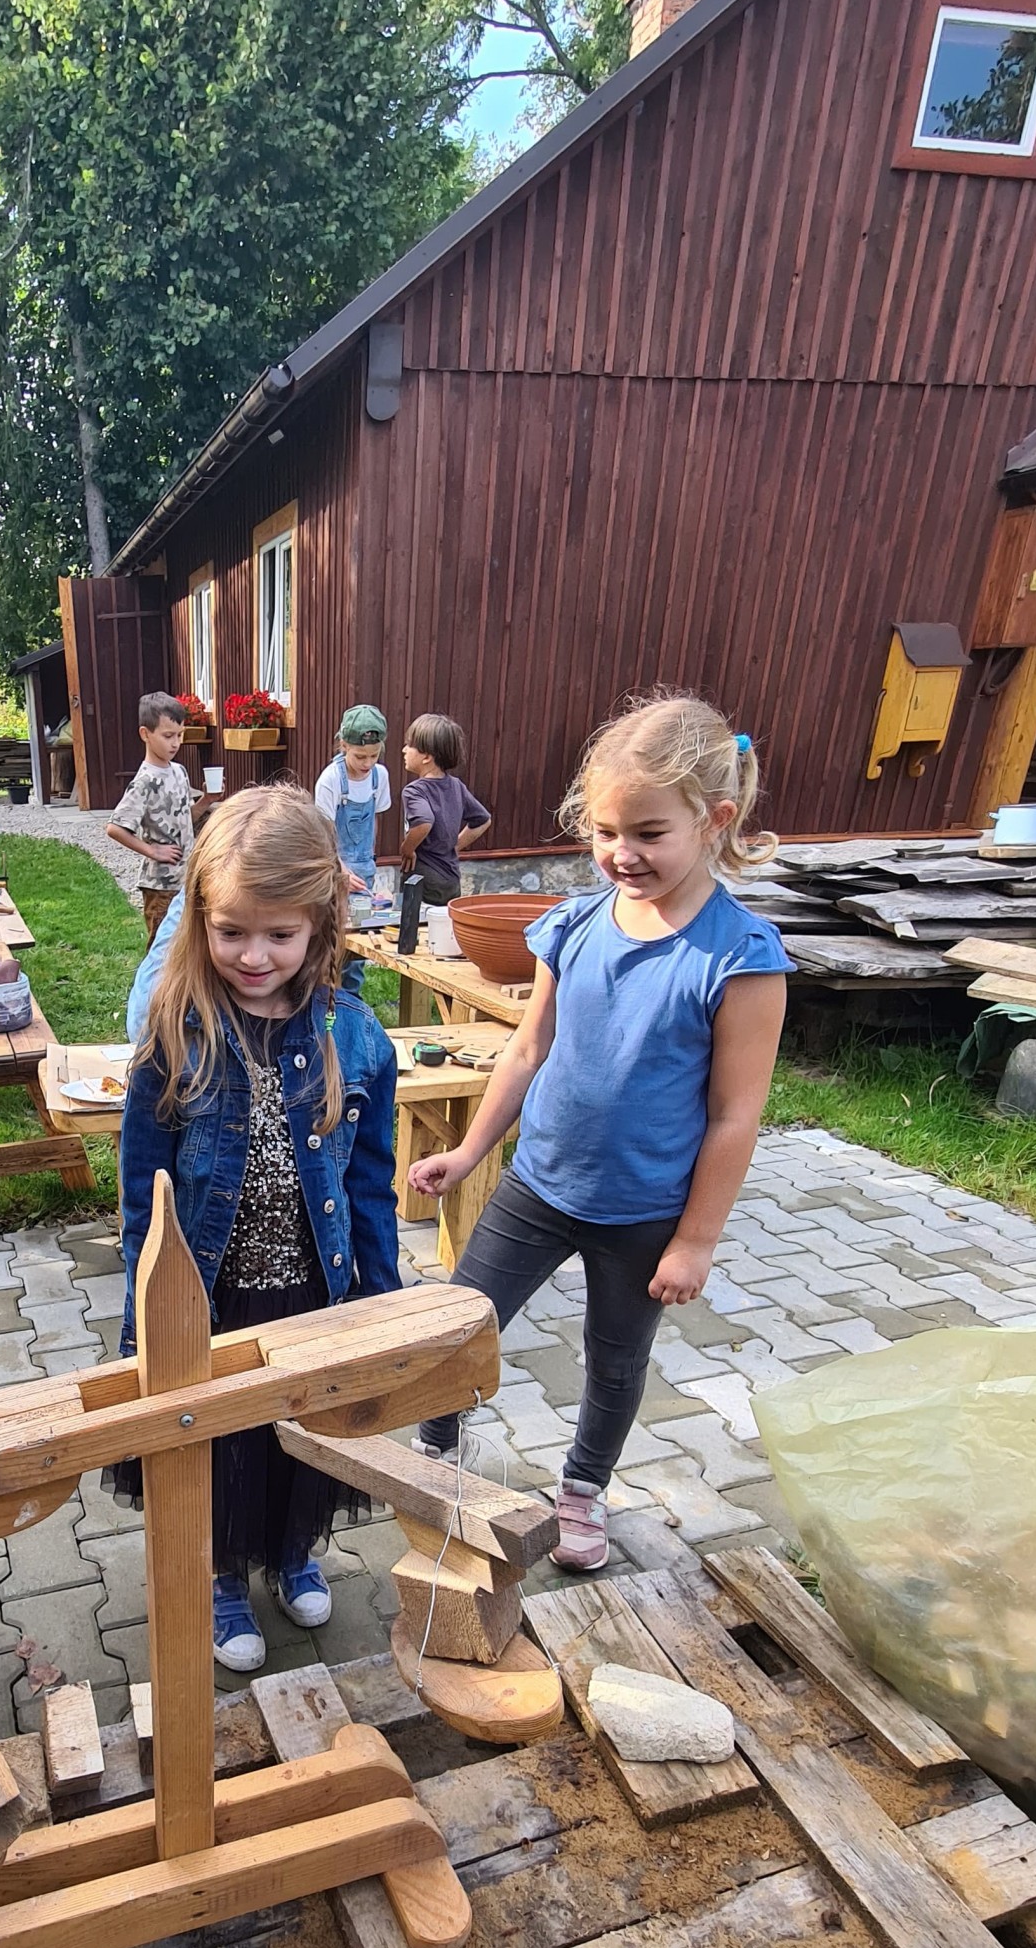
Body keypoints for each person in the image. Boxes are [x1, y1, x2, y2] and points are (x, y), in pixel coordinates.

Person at [406, 693, 791, 1575]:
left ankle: (581, 1492)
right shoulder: (573, 926)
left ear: (715, 820)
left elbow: (736, 1117)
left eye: (649, 833)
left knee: (615, 1365)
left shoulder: (741, 958)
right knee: (464, 1324)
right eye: (606, 832)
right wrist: (470, 1154)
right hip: (538, 1185)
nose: (623, 854)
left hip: (645, 1214)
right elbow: (527, 1049)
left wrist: (696, 1241)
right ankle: (435, 1449)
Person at [115, 786, 401, 1674]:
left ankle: (287, 1552)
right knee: (219, 1450)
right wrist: (143, 1311)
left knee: (294, 1444)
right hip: (211, 1292)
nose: (253, 954)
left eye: (279, 934)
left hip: (315, 1289)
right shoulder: (177, 1032)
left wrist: (379, 1303)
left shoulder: (357, 1039)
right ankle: (220, 1574)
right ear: (199, 916)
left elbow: (370, 1182)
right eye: (231, 930)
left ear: (321, 923)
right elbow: (141, 1196)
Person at [107, 693, 196, 940]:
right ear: (146, 734)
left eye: (179, 735)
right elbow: (115, 828)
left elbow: (186, 816)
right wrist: (153, 851)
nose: (175, 743)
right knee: (162, 947)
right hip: (161, 887)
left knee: (186, 946)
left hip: (186, 878)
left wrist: (209, 800)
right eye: (168, 736)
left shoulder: (179, 771)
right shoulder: (144, 781)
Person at [399, 713, 491, 905]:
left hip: (422, 879)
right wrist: (454, 846)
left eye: (410, 745)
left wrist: (407, 849)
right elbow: (483, 820)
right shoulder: (456, 786)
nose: (404, 750)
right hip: (451, 878)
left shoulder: (414, 791)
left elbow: (424, 822)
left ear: (426, 757)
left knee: (415, 929)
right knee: (444, 928)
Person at [314, 705, 392, 896]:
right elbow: (323, 834)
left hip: (365, 868)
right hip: (334, 868)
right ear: (344, 745)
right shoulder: (330, 780)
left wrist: (370, 859)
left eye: (374, 755)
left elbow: (373, 821)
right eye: (360, 756)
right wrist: (341, 871)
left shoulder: (379, 776)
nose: (368, 763)